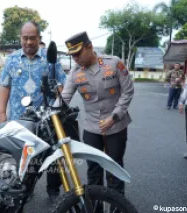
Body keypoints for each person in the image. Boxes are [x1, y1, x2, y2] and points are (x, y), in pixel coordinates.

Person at [0, 21, 67, 202]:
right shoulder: (11, 60)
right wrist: (1, 114)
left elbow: (62, 84)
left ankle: (53, 191)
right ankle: (23, 190)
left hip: (47, 121)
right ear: (20, 38)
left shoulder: (50, 59)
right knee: (23, 158)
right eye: (25, 38)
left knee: (53, 157)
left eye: (33, 38)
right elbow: (4, 87)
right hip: (19, 121)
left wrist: (59, 105)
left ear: (39, 38)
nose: (29, 42)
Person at [59, 31, 134, 196]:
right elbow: (64, 97)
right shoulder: (75, 72)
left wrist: (114, 117)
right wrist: (51, 107)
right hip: (92, 128)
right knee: (93, 171)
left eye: (78, 53)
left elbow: (127, 92)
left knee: (115, 169)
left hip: (116, 126)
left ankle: (117, 206)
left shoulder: (114, 63)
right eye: (72, 55)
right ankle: (96, 207)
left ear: (90, 47)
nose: (75, 58)